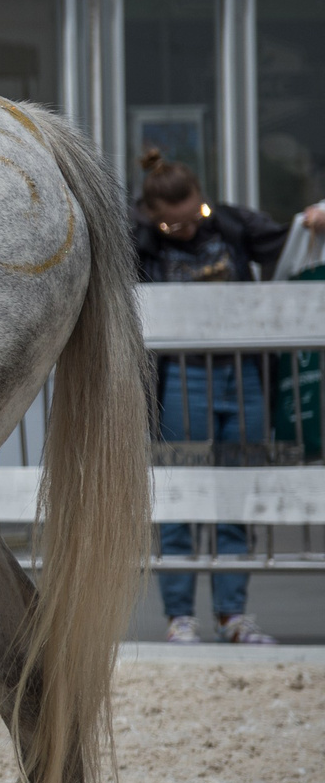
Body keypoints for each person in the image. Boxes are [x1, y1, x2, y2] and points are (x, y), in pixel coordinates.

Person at [132, 150, 297, 644]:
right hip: (182, 376)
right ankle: (179, 616)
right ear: (152, 217)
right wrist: (144, 225)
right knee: (182, 492)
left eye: (193, 218)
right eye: (172, 227)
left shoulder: (231, 223)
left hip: (244, 375)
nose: (185, 231)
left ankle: (232, 615)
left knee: (236, 493)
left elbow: (288, 242)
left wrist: (314, 217)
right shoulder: (140, 238)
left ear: (203, 200)